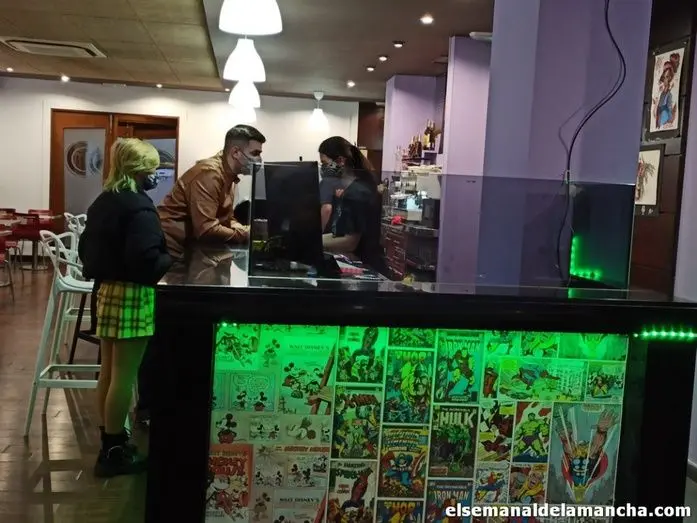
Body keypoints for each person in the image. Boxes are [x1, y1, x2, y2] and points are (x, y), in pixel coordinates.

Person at [78, 138, 173, 478]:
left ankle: (110, 440)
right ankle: (114, 451)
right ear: (139, 170)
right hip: (133, 295)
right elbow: (146, 261)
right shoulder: (139, 207)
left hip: (106, 292)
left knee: (108, 372)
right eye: (153, 168)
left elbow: (86, 250)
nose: (156, 174)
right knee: (124, 376)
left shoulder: (103, 201)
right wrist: (169, 258)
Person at [158, 124, 266, 258]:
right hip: (174, 253)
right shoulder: (209, 174)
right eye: (255, 153)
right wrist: (247, 234)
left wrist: (247, 230)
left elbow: (226, 219)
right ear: (236, 153)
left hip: (191, 250)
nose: (259, 160)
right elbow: (207, 229)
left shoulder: (228, 175)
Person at [318, 136, 386, 271]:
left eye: (324, 163)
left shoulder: (357, 193)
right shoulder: (349, 190)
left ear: (340, 161)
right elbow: (339, 234)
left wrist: (312, 241)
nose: (323, 168)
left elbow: (349, 242)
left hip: (367, 267)